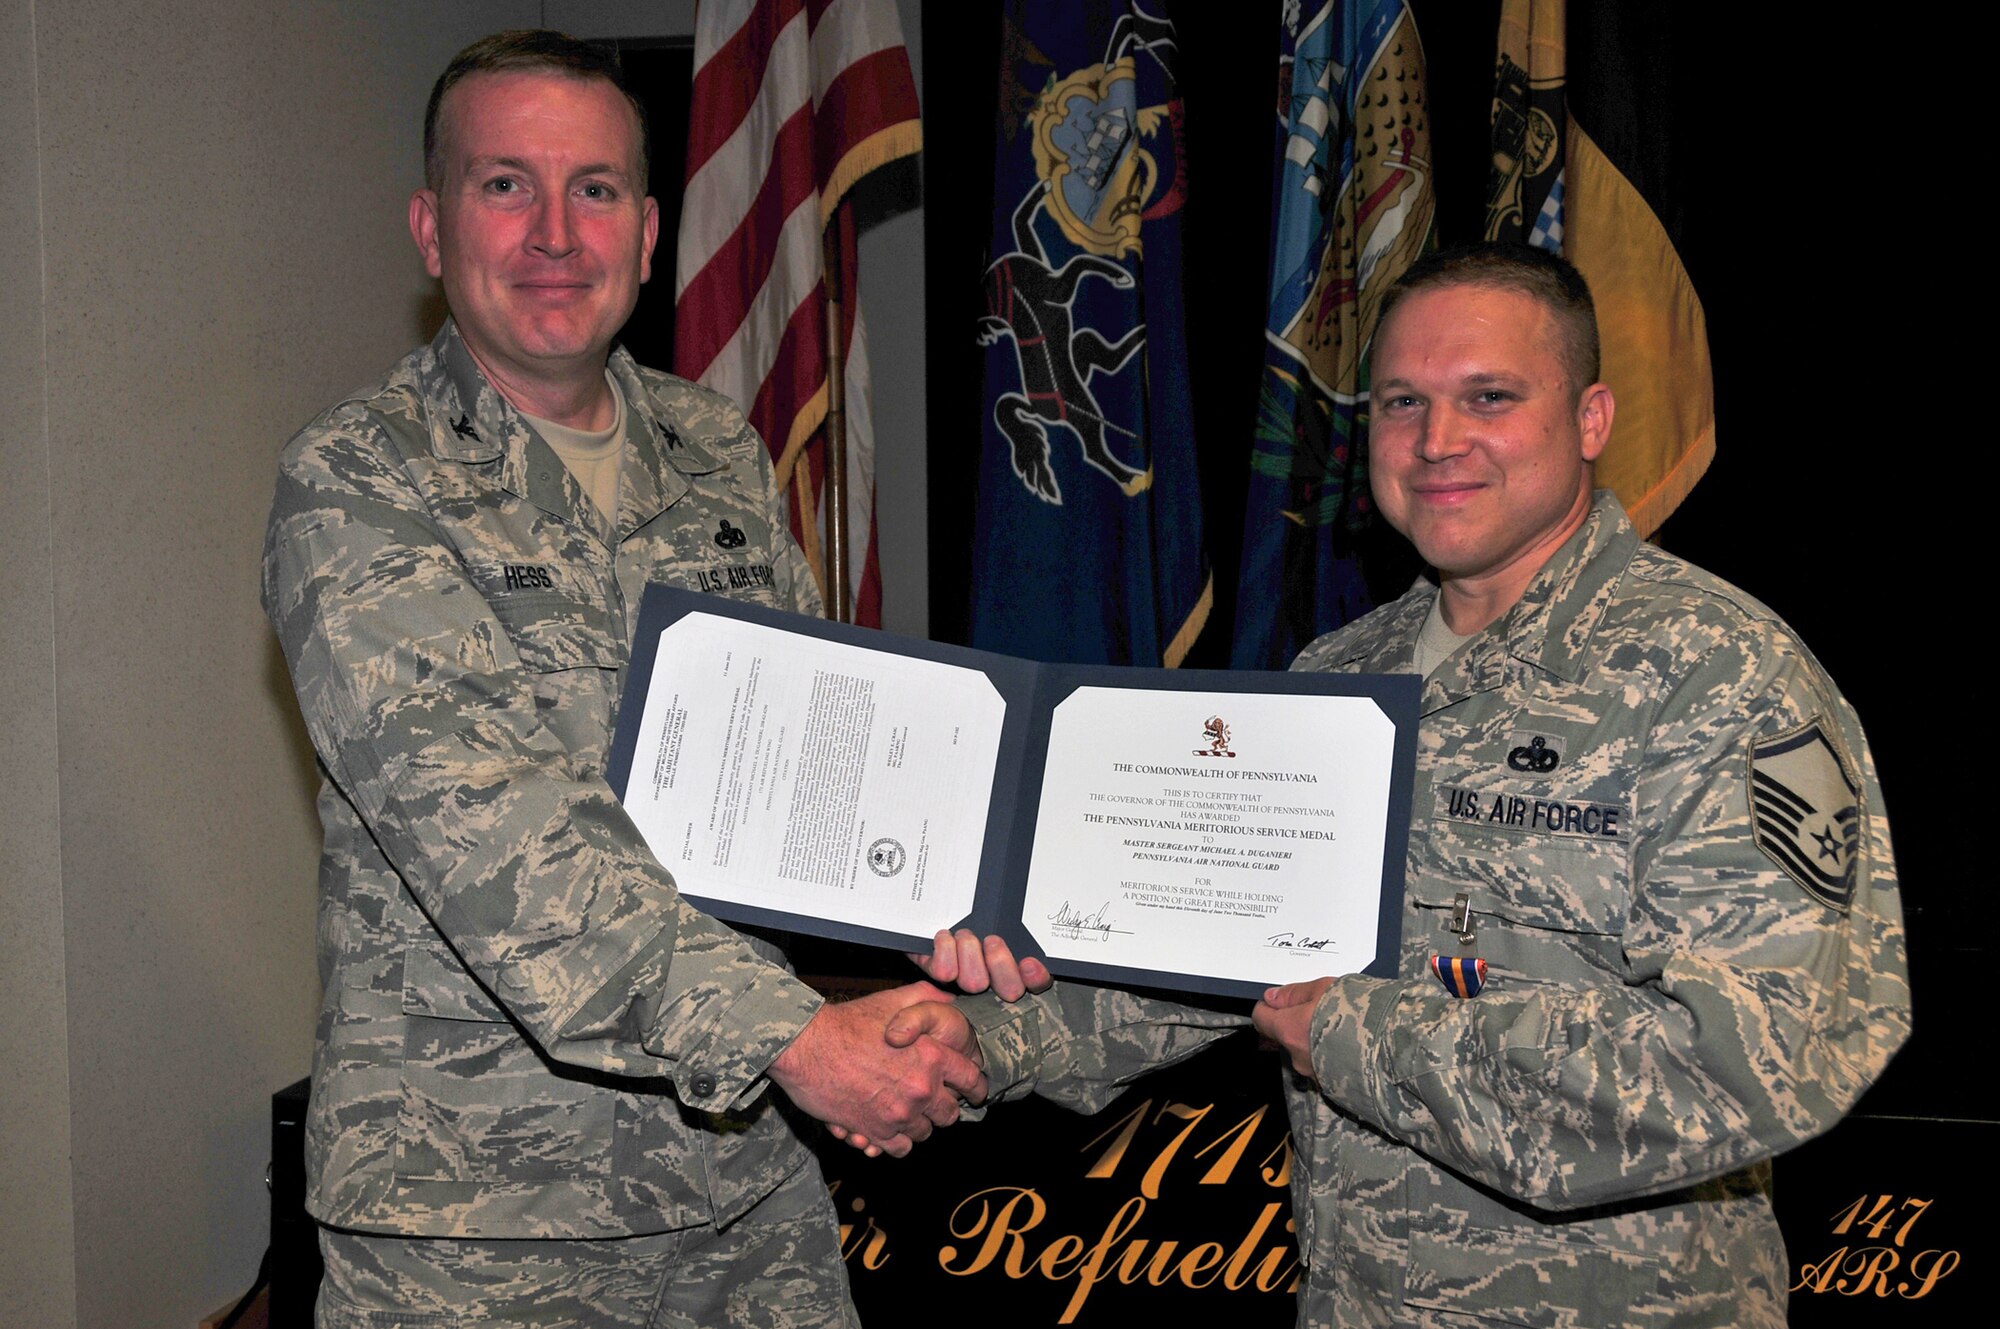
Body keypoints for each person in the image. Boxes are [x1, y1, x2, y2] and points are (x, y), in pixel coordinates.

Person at [907, 243, 1911, 1327]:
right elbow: (1211, 950)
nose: (1437, 442)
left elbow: (1769, 1050)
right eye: (1401, 403)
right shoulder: (1337, 678)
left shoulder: (1720, 676)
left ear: (1588, 420)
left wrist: (1357, 1037)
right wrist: (982, 1042)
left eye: (1488, 397)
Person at [263, 31, 1003, 1328]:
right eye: (507, 186)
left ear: (651, 233)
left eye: (594, 190)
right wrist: (792, 1036)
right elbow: (500, 837)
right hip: (482, 1231)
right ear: (433, 230)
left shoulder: (717, 449)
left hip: (741, 1188)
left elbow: (823, 783)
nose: (555, 232)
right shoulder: (359, 483)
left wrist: (968, 898)